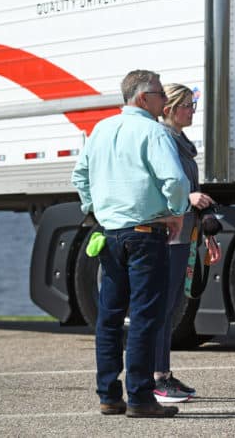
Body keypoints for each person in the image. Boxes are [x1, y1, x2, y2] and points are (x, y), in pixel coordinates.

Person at [71, 70, 190, 419]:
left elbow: (79, 175)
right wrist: (175, 212)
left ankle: (109, 395)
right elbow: (175, 179)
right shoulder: (153, 131)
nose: (164, 101)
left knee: (109, 318)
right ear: (142, 98)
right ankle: (139, 397)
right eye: (159, 93)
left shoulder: (101, 129)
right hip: (145, 234)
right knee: (144, 317)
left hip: (110, 234)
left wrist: (94, 208)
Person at [152, 83, 219, 403]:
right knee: (162, 308)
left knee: (171, 306)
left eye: (193, 105)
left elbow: (191, 187)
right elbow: (158, 182)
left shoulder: (180, 140)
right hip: (168, 234)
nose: (193, 111)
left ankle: (162, 373)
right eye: (187, 105)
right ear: (169, 110)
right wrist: (187, 197)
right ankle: (155, 377)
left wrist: (207, 231)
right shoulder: (162, 139)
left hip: (183, 233)